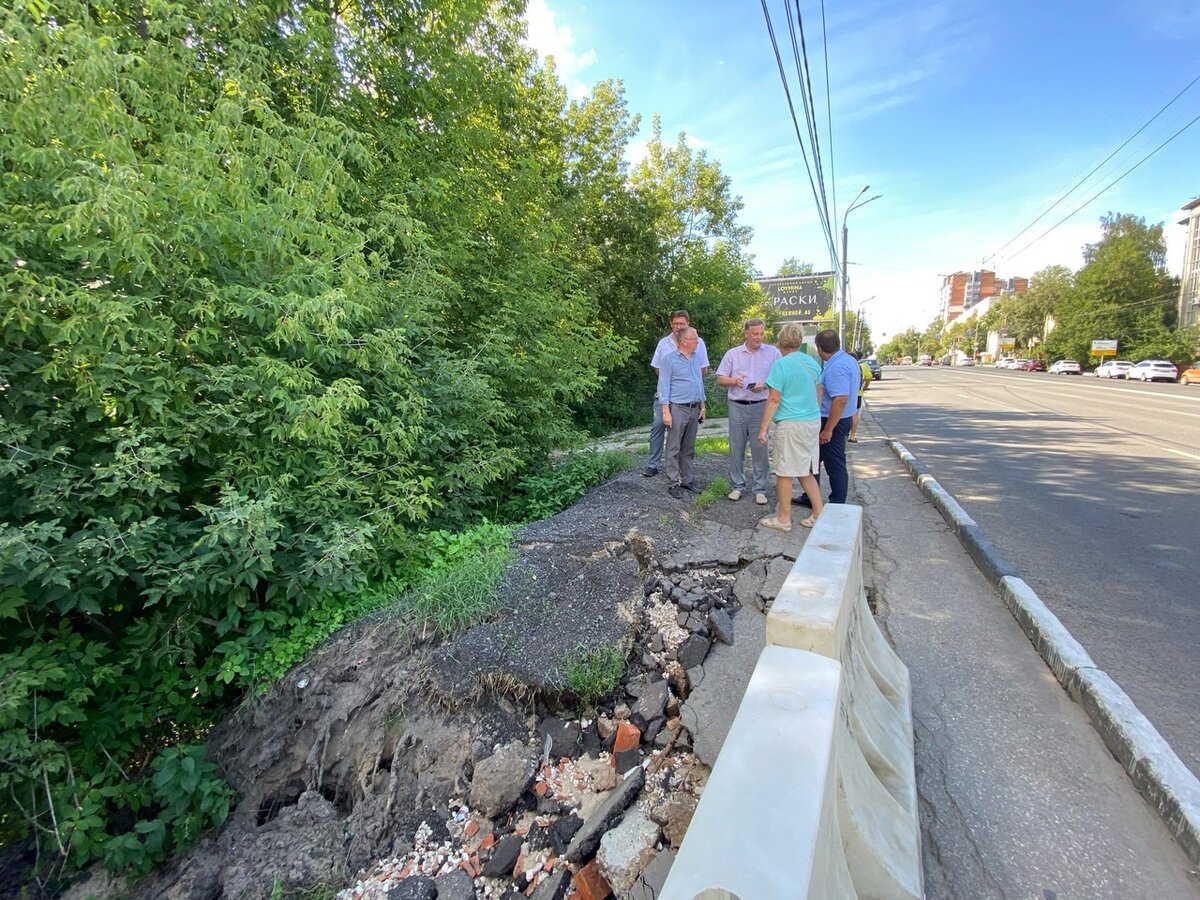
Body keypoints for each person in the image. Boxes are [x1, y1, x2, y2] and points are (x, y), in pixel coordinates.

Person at [755, 323, 823, 531]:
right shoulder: (812, 362)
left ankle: (784, 519)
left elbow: (774, 399)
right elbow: (819, 393)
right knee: (805, 470)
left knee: (784, 471)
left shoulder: (781, 365)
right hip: (812, 421)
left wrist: (763, 428)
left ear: (780, 342)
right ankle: (819, 513)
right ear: (800, 341)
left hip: (791, 423)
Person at [715, 318, 781, 505]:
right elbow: (720, 378)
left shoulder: (773, 353)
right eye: (755, 334)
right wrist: (734, 381)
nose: (759, 337)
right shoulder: (733, 354)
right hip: (737, 404)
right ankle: (737, 486)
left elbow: (781, 377)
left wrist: (765, 384)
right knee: (736, 447)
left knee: (760, 446)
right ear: (746, 333)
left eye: (761, 334)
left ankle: (760, 488)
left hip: (761, 405)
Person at [795, 329, 860, 507]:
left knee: (834, 464)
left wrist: (828, 430)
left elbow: (840, 399)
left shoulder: (836, 366)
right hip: (840, 418)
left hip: (832, 420)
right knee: (814, 460)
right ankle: (810, 496)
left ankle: (837, 503)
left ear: (819, 348)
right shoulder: (848, 359)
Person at [645, 310, 709, 477]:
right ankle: (653, 465)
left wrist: (701, 402)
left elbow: (702, 370)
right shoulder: (664, 344)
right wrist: (674, 377)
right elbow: (659, 370)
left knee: (686, 440)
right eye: (675, 324)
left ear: (687, 324)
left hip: (689, 398)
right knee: (659, 425)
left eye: (681, 324)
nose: (678, 326)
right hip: (667, 395)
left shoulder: (698, 344)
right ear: (671, 324)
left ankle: (685, 475)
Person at [657, 327, 706, 499]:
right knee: (673, 447)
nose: (697, 342)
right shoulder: (669, 360)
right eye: (695, 339)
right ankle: (672, 482)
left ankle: (687, 479)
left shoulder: (696, 358)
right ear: (684, 341)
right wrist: (666, 412)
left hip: (694, 408)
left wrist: (703, 406)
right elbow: (663, 386)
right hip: (677, 408)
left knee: (688, 447)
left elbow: (699, 383)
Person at [848, 350, 872, 443]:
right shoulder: (863, 366)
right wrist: (865, 387)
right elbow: (868, 378)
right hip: (857, 394)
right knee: (855, 415)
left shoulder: (845, 366)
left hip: (845, 393)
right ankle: (852, 436)